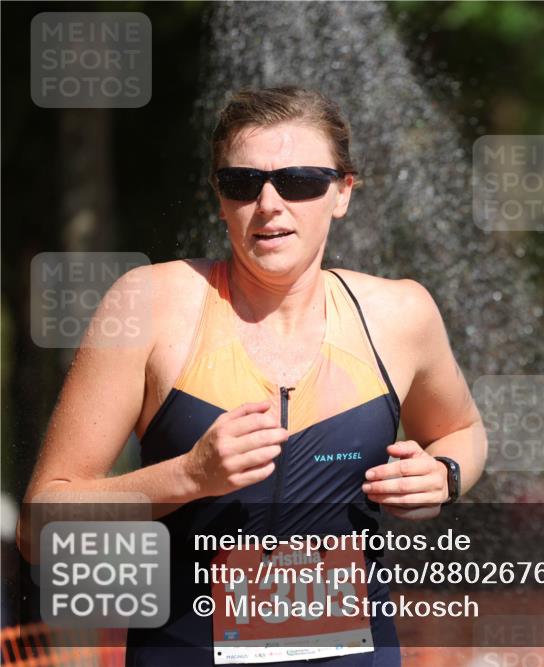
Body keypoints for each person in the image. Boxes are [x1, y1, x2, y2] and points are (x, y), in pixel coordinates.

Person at [17, 86, 487, 666]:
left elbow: (464, 430)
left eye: (300, 181)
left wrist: (444, 475)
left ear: (342, 192)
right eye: (242, 183)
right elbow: (39, 528)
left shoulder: (401, 315)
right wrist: (189, 475)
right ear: (219, 197)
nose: (269, 204)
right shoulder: (148, 304)